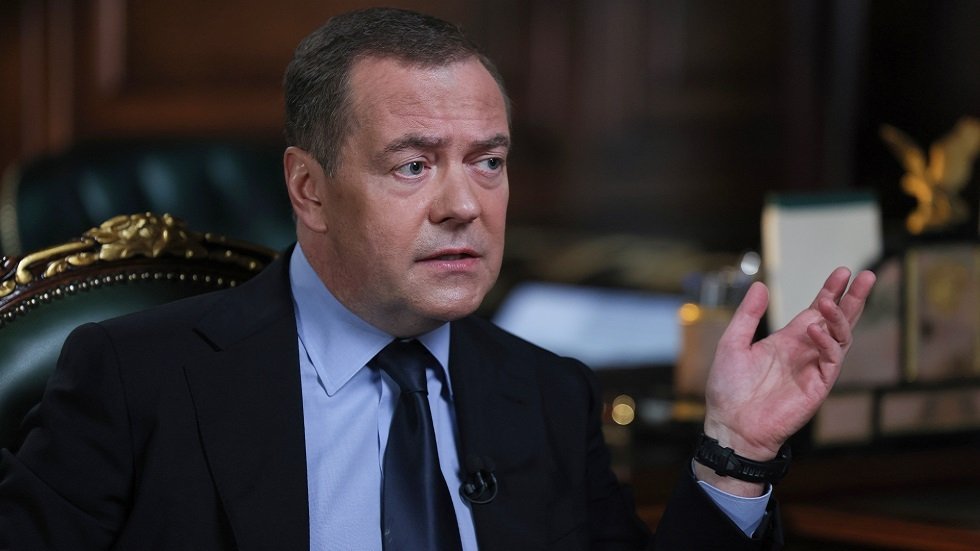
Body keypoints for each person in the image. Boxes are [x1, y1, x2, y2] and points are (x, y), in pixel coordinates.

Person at [0, 7, 875, 550]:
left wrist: (735, 449)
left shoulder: (547, 395)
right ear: (309, 189)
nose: (465, 206)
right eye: (414, 165)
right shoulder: (136, 380)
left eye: (488, 162)